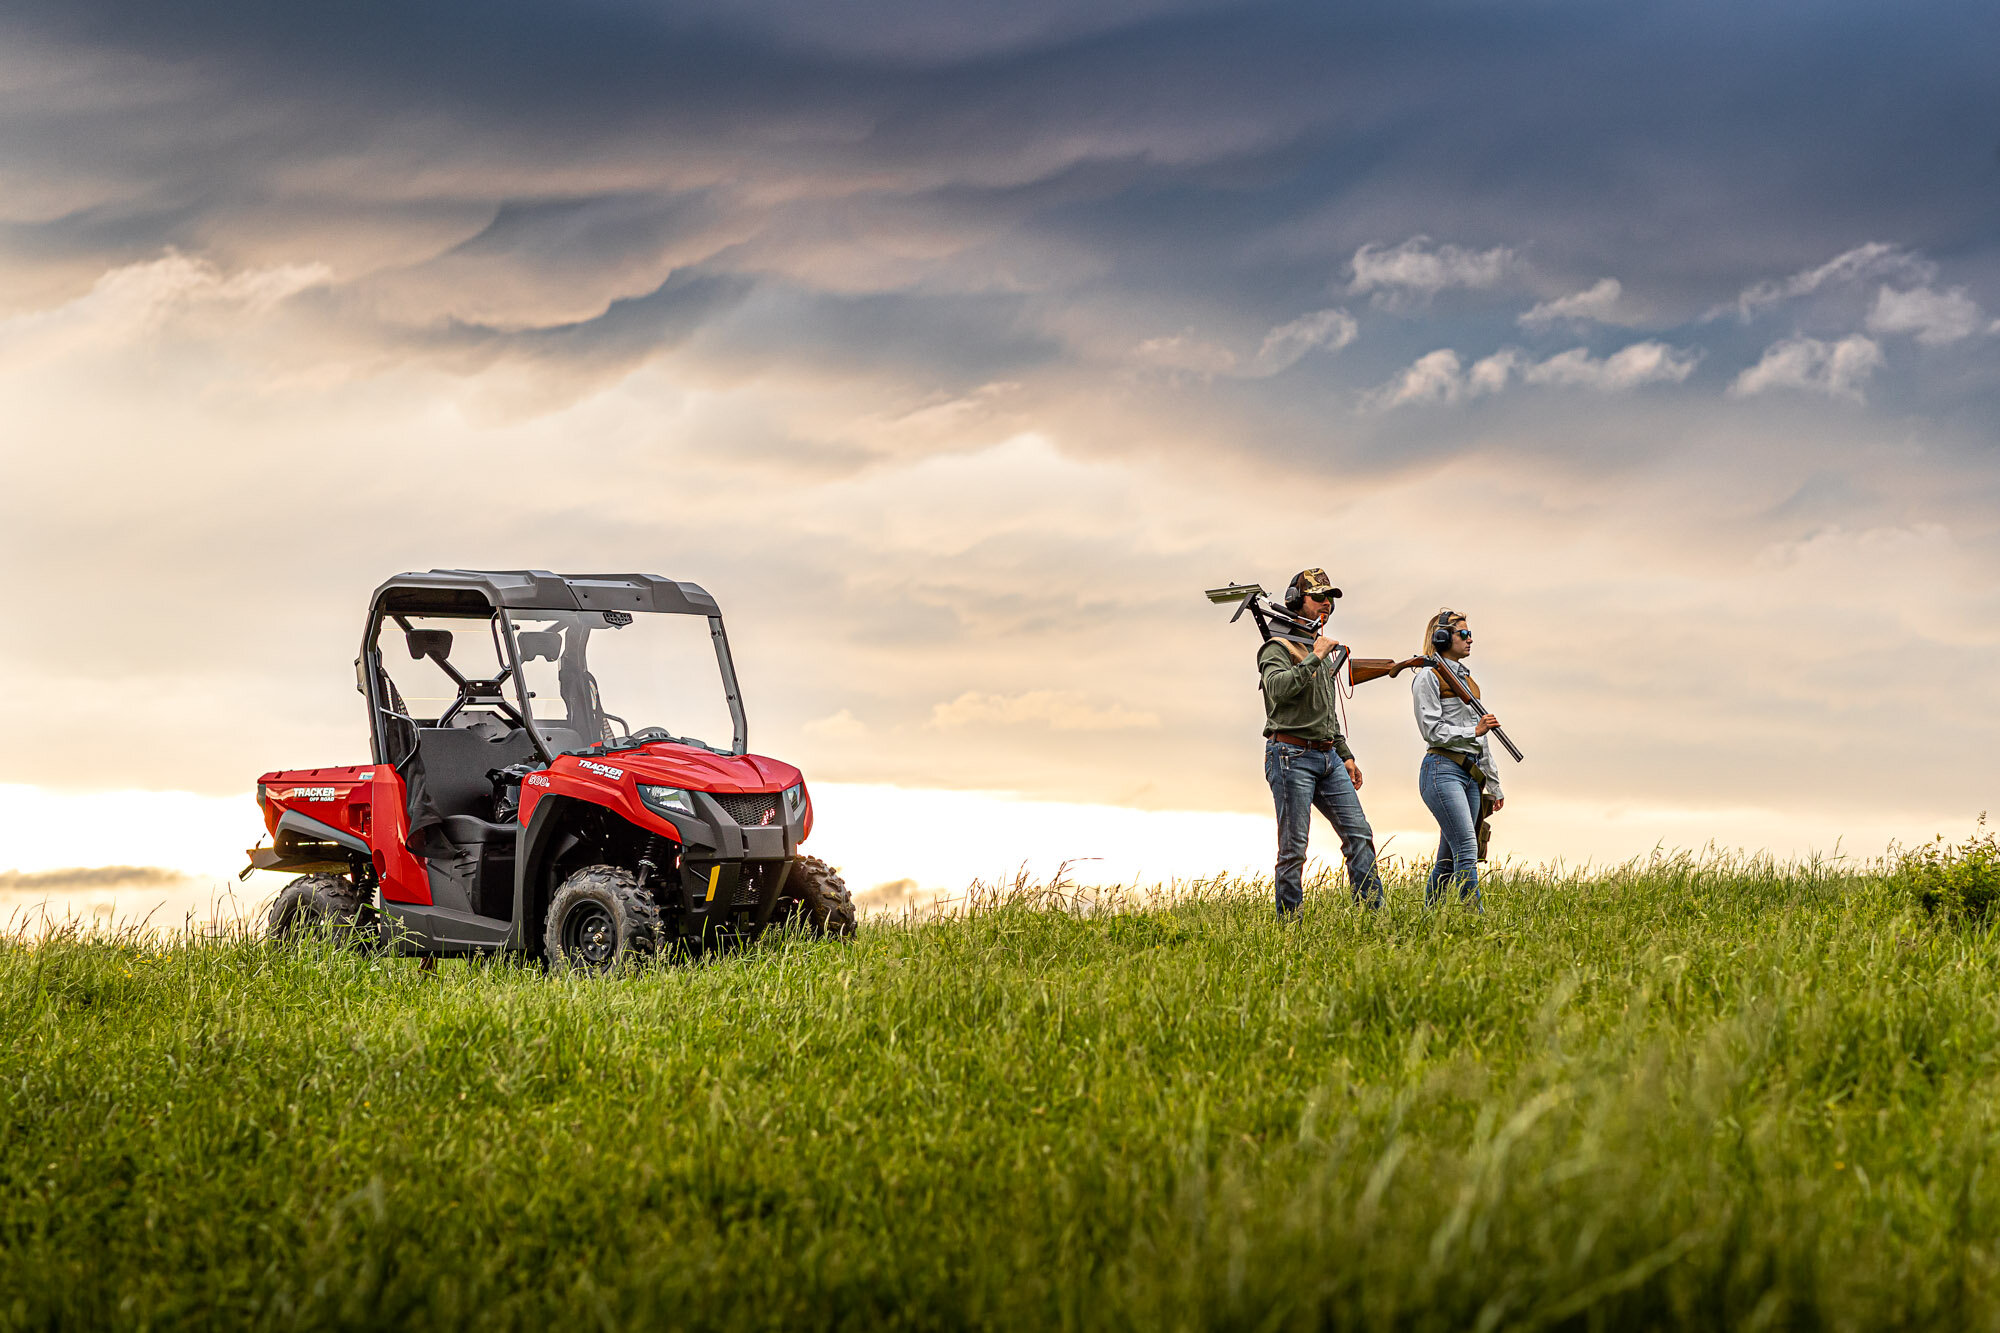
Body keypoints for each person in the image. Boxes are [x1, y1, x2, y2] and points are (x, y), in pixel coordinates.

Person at [1259, 568, 1385, 917]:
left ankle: (1373, 917)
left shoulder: (1322, 648)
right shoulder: (1275, 648)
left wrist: (1345, 755)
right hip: (1289, 756)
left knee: (1359, 835)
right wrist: (1314, 656)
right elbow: (1278, 690)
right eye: (1318, 597)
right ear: (1296, 601)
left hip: (1328, 757)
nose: (1326, 604)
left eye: (1330, 598)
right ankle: (1290, 927)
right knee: (1294, 849)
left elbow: (1326, 710)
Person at [1412, 609, 1505, 909]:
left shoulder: (1468, 680)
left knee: (1449, 859)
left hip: (1471, 774)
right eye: (1463, 634)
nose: (1470, 639)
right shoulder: (1428, 676)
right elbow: (1431, 730)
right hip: (1442, 770)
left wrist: (1494, 783)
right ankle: (1472, 920)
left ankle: (1429, 918)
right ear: (1441, 638)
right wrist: (1473, 729)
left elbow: (1483, 737)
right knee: (1466, 846)